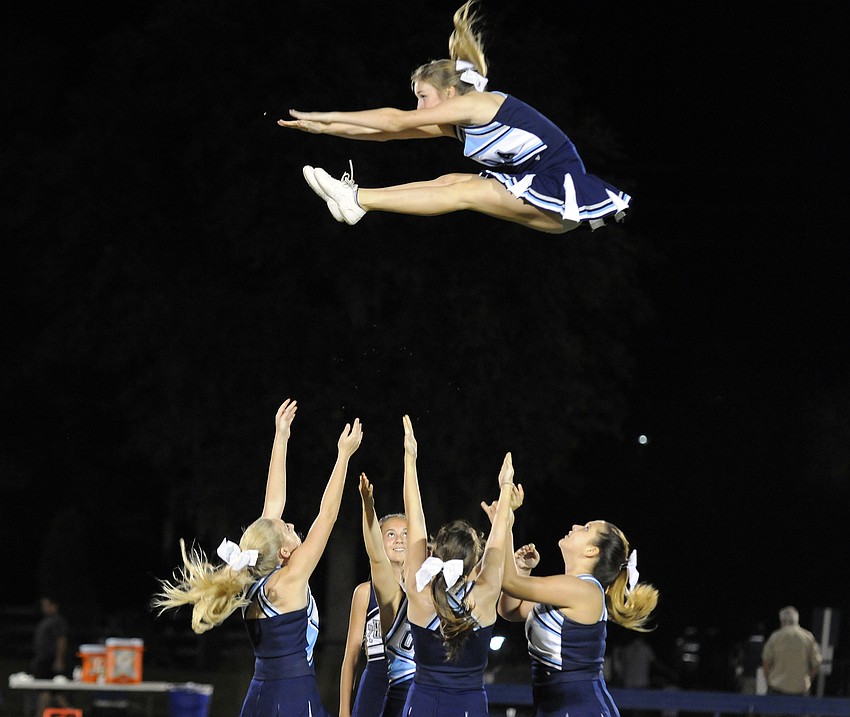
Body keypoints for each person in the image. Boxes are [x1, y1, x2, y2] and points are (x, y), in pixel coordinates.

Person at [278, 1, 631, 234]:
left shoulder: (477, 104)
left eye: (422, 97)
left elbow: (395, 121)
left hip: (558, 189)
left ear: (449, 92)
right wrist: (321, 129)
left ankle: (357, 200)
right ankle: (358, 199)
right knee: (449, 181)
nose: (419, 109)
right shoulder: (460, 125)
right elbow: (384, 134)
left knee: (468, 190)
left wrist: (326, 114)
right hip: (542, 198)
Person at [153, 400, 364, 717]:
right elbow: (328, 514)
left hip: (259, 694)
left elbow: (272, 505)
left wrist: (281, 437)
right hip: (292, 695)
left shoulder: (250, 575)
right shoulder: (290, 579)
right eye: (288, 529)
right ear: (283, 551)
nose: (292, 525)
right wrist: (344, 456)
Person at [399, 414, 520, 717]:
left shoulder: (420, 591)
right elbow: (497, 542)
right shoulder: (487, 593)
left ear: (434, 550)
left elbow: (415, 520)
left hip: (421, 702)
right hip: (469, 704)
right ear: (474, 560)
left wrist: (410, 459)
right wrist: (505, 488)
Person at [492, 506, 659, 717]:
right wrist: (523, 571)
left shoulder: (585, 590)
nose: (576, 526)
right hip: (555, 707)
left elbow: (509, 583)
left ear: (592, 551)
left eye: (587, 528)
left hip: (583, 709)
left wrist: (504, 524)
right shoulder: (568, 589)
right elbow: (510, 610)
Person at [339, 476, 411, 717]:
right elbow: (351, 655)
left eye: (405, 533)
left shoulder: (424, 590)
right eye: (390, 534)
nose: (399, 539)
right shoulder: (364, 593)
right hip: (375, 682)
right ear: (377, 541)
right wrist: (344, 710)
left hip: (413, 684)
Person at [761, 606, 822, 696]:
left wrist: (768, 680)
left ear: (782, 621)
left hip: (777, 689)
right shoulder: (808, 637)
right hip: (801, 690)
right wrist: (808, 679)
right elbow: (816, 663)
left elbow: (765, 661)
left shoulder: (775, 637)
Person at [30, 596, 70, 716]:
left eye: (47, 605)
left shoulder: (58, 621)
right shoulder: (46, 620)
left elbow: (61, 640)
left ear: (54, 606)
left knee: (48, 692)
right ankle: (70, 713)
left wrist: (59, 660)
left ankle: (71, 713)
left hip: (50, 661)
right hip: (42, 661)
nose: (44, 608)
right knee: (53, 694)